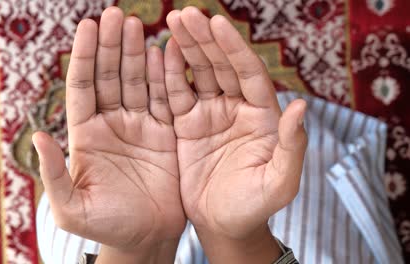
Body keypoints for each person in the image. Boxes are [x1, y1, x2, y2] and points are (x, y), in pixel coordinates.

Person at [33, 6, 401, 264]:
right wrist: (235, 236)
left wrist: (139, 248)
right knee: (301, 179)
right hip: (258, 212)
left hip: (130, 200)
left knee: (84, 213)